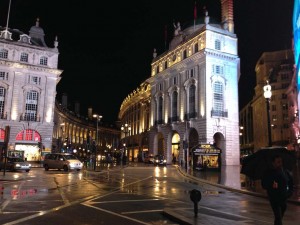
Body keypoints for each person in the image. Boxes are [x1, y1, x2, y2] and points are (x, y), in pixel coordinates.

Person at [261, 155, 294, 225]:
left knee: (278, 218)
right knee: (278, 217)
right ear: (273, 163)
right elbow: (264, 184)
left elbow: (291, 183)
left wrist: (289, 193)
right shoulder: (269, 172)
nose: (280, 164)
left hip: (283, 198)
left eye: (281, 162)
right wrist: (271, 185)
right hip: (274, 198)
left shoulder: (285, 171)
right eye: (278, 162)